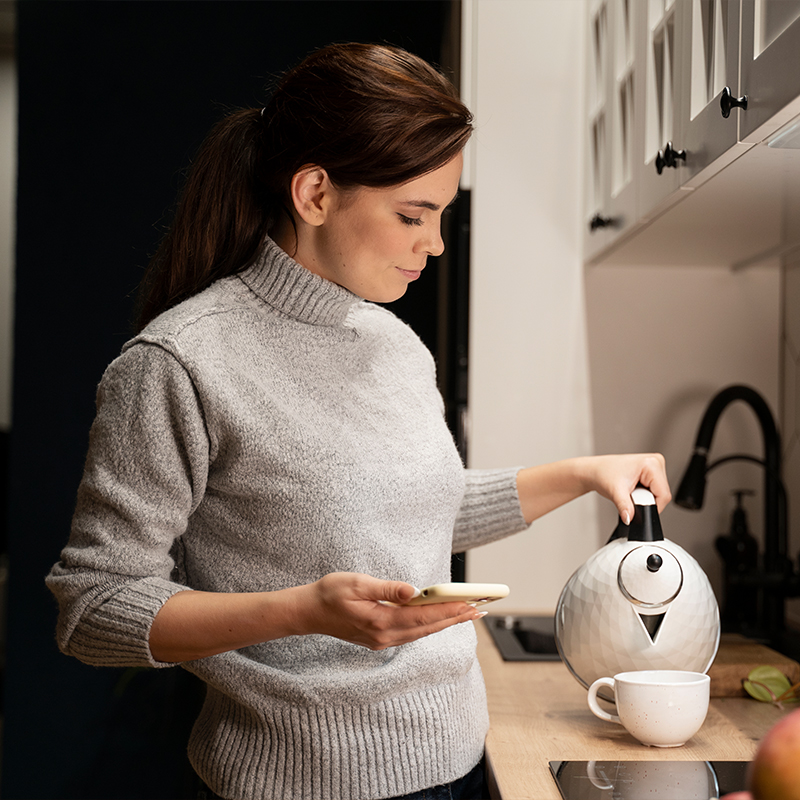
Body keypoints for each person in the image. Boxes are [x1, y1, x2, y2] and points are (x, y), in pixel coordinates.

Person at [46, 42, 671, 800]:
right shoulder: (177, 364)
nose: (435, 243)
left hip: (461, 765)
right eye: (414, 214)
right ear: (314, 193)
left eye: (444, 215)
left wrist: (583, 473)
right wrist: (300, 612)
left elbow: (412, 510)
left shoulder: (395, 345)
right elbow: (94, 607)